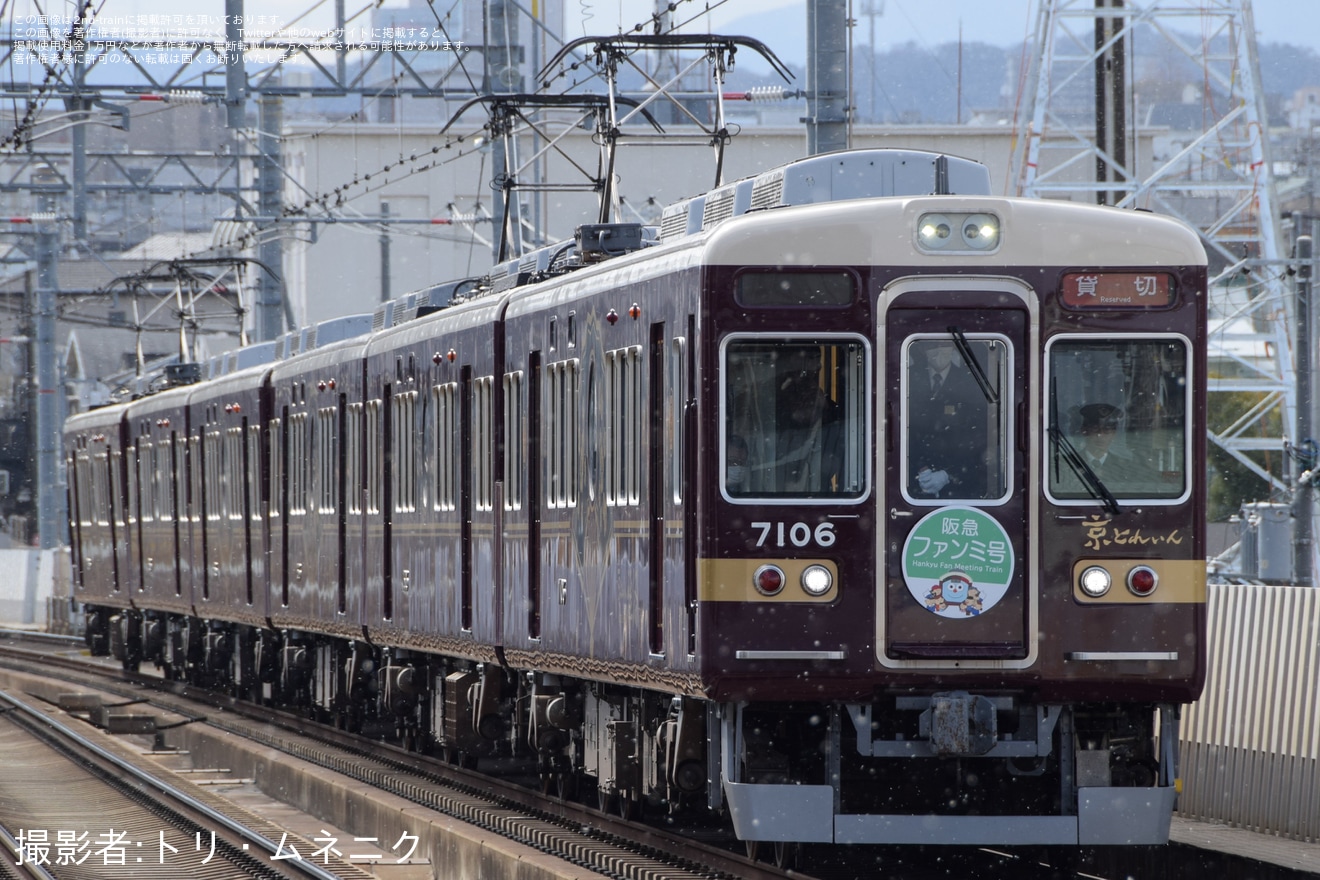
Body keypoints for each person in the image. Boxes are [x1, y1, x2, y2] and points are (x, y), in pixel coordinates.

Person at [908, 339, 989, 499]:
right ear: (923, 348)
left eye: (943, 344)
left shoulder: (970, 382)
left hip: (960, 486)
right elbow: (899, 428)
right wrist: (921, 468)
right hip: (912, 484)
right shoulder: (909, 376)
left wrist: (948, 474)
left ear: (952, 347)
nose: (938, 349)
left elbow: (979, 436)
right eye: (932, 345)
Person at [772, 347, 843, 494]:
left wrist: (826, 406)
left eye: (817, 369)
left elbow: (832, 465)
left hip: (818, 486)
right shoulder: (776, 399)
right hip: (780, 483)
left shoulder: (830, 426)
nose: (811, 376)